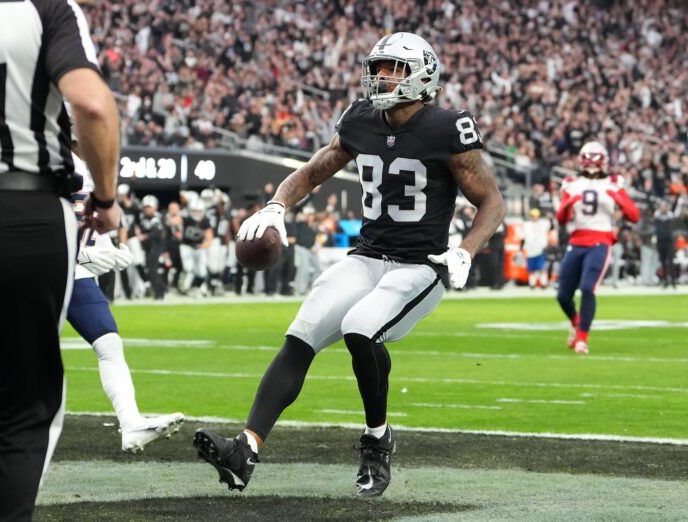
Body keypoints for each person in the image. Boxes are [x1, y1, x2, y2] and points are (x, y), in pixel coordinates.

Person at [193, 33, 504, 498]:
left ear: (422, 75)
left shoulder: (447, 127)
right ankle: (246, 449)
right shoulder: (361, 118)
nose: (382, 76)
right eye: (378, 67)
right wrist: (276, 205)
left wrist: (465, 250)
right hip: (368, 255)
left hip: (421, 265)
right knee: (303, 331)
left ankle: (377, 440)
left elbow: (492, 202)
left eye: (394, 69)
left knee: (361, 327)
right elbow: (314, 170)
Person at [0, 1, 120, 518]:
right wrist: (107, 200)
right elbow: (91, 105)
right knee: (25, 402)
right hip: (20, 206)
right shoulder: (44, 11)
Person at [67, 154, 184, 452]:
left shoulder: (92, 164)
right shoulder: (46, 152)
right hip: (39, 270)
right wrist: (76, 253)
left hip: (76, 273)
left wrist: (109, 250)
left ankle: (131, 423)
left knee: (109, 344)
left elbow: (90, 219)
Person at [555, 142, 639, 355]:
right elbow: (562, 219)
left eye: (595, 160)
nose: (591, 165)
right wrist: (567, 204)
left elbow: (634, 215)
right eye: (588, 160)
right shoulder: (571, 182)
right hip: (576, 240)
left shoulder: (614, 182)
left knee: (587, 288)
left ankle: (582, 338)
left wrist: (617, 197)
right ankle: (576, 323)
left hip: (601, 239)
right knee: (563, 295)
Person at [522, 208, 551, 289]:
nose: (534, 217)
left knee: (541, 267)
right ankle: (532, 283)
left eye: (535, 216)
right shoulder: (527, 225)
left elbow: (549, 223)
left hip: (540, 249)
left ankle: (544, 283)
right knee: (532, 269)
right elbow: (524, 237)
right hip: (530, 250)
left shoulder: (543, 224)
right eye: (532, 216)